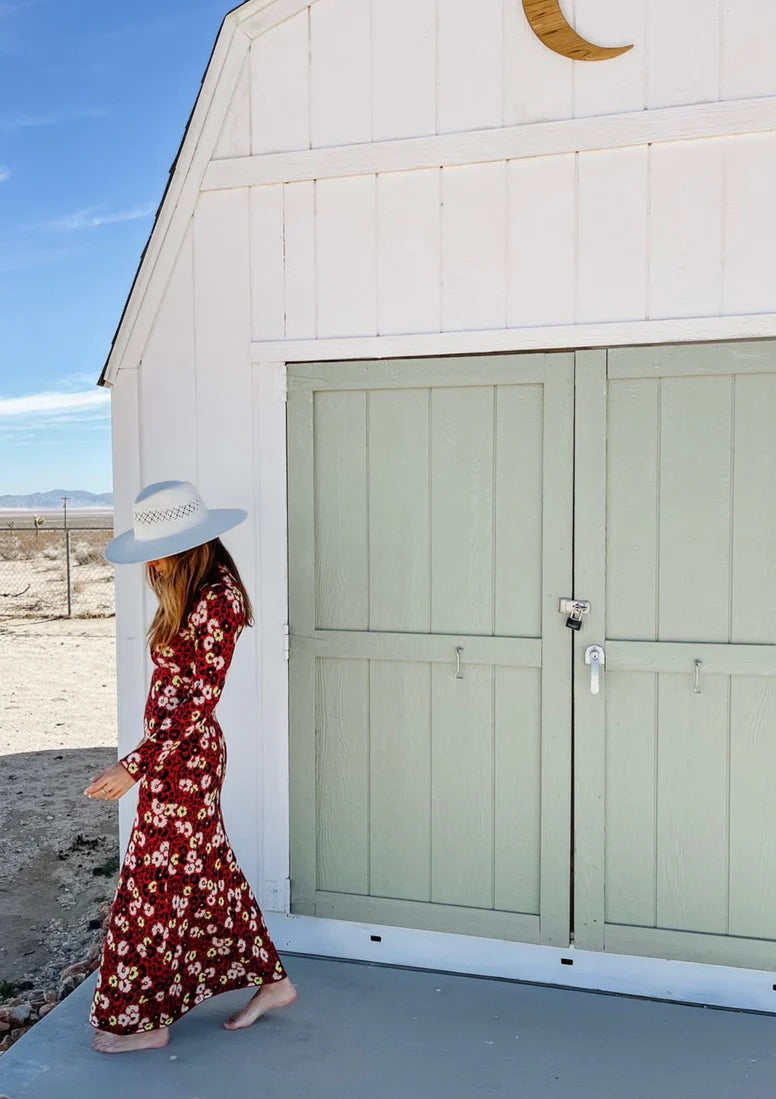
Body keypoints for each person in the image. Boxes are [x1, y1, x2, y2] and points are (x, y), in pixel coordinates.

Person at [85, 480, 296, 1054]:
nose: (151, 563)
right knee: (203, 875)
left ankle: (148, 1020)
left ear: (192, 544)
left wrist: (136, 765)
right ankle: (272, 981)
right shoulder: (197, 591)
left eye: (160, 549)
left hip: (185, 760)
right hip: (176, 755)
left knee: (154, 885)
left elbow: (198, 701)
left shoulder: (218, 599)